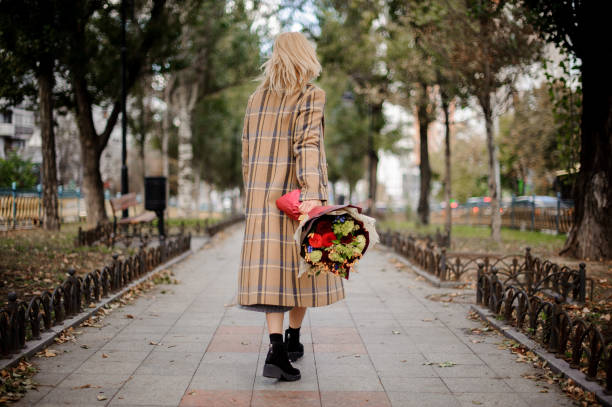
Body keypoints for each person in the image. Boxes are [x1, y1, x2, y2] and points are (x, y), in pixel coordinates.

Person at [237, 32, 345, 381]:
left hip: (262, 200)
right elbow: (307, 145)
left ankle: (278, 348)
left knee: (273, 276)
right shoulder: (311, 95)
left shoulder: (255, 99)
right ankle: (293, 337)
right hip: (297, 200)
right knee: (302, 269)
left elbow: (246, 153)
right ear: (306, 56)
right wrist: (312, 192)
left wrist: (252, 195)